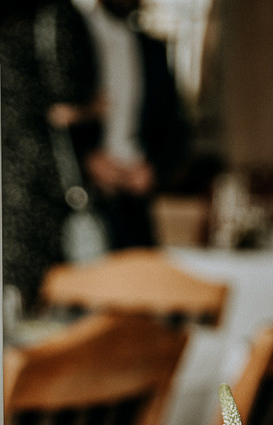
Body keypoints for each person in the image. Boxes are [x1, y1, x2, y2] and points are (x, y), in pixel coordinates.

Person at [0, 0, 97, 306]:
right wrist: (93, 110)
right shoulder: (56, 16)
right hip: (39, 176)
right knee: (43, 296)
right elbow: (67, 92)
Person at [71, 0, 190, 249]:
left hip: (135, 204)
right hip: (79, 197)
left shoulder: (152, 49)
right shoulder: (71, 37)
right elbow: (51, 114)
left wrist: (153, 170)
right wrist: (85, 160)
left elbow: (176, 131)